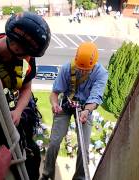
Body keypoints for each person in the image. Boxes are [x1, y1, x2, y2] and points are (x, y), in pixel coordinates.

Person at [0, 12, 51, 180]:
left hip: (12, 107)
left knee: (32, 154)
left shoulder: (26, 57)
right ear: (15, 46)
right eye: (28, 53)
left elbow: (26, 88)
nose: (29, 58)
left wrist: (18, 111)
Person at [41, 42, 108, 180]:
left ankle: (80, 177)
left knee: (84, 147)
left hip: (85, 108)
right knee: (54, 142)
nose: (82, 71)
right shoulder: (67, 69)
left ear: (93, 65)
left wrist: (87, 111)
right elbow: (54, 93)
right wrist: (54, 104)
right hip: (66, 105)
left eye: (86, 69)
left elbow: (95, 97)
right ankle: (47, 175)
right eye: (80, 68)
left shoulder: (100, 73)